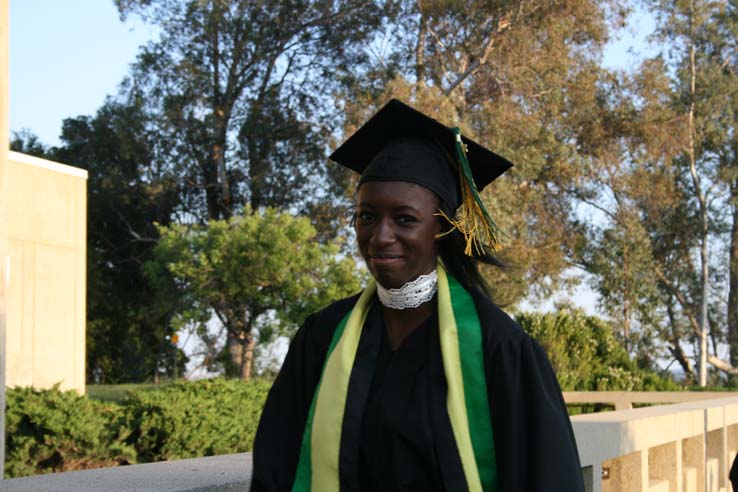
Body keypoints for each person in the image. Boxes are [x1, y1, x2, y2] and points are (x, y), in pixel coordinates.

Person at [250, 99, 584, 492]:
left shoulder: (498, 348)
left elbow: (546, 478)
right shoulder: (322, 337)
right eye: (367, 216)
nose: (380, 236)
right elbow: (277, 467)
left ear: (442, 230)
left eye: (404, 219)